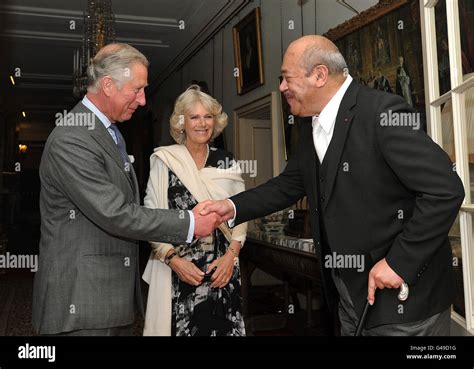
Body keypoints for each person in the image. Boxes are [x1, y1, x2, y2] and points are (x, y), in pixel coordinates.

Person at [201, 35, 464, 336]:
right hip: (348, 297)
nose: (282, 87)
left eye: (286, 78)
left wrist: (399, 263)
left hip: (405, 304)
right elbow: (288, 185)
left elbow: (446, 190)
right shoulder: (309, 124)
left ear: (320, 75)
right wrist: (231, 206)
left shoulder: (381, 113)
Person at [32, 44, 220, 336]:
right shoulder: (73, 137)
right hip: (82, 302)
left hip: (105, 297)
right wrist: (191, 222)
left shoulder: (108, 130)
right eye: (137, 89)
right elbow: (116, 213)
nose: (143, 100)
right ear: (108, 85)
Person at [142, 85, 247, 336]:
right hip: (178, 269)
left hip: (222, 267)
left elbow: (242, 212)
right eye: (194, 117)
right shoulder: (164, 160)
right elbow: (151, 216)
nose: (202, 123)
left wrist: (231, 257)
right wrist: (173, 260)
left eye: (208, 116)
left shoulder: (225, 159)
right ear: (181, 123)